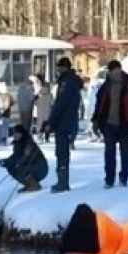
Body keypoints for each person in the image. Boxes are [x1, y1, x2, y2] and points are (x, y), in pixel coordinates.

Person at [91, 60, 128, 189]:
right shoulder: (105, 87)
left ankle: (124, 176)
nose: (117, 76)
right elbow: (99, 105)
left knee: (125, 152)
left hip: (125, 124)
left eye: (119, 73)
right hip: (108, 124)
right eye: (114, 74)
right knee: (109, 153)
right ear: (110, 73)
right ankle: (109, 179)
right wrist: (95, 120)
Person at [42, 57, 84, 193]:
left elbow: (60, 104)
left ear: (63, 68)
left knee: (61, 151)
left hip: (63, 121)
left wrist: (51, 122)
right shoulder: (73, 82)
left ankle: (62, 182)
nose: (58, 70)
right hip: (69, 120)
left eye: (59, 68)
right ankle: (62, 180)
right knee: (62, 151)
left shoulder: (67, 82)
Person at [0, 124, 49, 192]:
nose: (14, 135)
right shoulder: (18, 143)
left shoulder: (29, 143)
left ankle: (34, 185)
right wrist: (7, 161)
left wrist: (16, 164)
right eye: (13, 134)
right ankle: (28, 184)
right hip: (31, 166)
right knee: (10, 167)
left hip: (41, 168)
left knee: (19, 168)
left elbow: (26, 157)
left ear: (21, 134)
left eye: (16, 133)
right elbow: (16, 156)